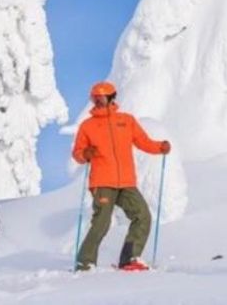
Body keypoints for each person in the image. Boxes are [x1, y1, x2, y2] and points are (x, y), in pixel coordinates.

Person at [72, 81, 171, 271]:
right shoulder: (88, 126)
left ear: (111, 97)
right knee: (102, 222)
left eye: (100, 98)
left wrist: (160, 147)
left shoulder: (126, 121)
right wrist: (85, 154)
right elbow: (77, 153)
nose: (97, 101)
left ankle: (130, 259)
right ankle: (84, 262)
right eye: (94, 98)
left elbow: (143, 142)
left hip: (126, 182)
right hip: (102, 181)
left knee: (143, 216)